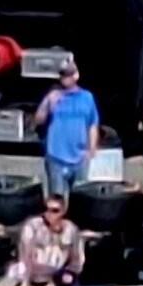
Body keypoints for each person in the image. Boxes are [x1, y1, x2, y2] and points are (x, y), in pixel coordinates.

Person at [34, 59, 100, 200]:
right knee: (57, 200)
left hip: (80, 158)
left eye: (70, 74)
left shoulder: (87, 97)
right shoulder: (53, 96)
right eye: (63, 75)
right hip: (56, 157)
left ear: (76, 75)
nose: (67, 78)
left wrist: (92, 149)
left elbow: (93, 124)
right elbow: (38, 120)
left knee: (81, 199)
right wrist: (47, 102)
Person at [14, 192, 88, 286]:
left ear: (63, 211)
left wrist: (69, 272)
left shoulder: (72, 230)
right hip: (34, 276)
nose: (49, 214)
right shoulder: (32, 226)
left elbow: (77, 259)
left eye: (54, 211)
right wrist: (26, 279)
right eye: (46, 209)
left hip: (59, 276)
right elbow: (25, 255)